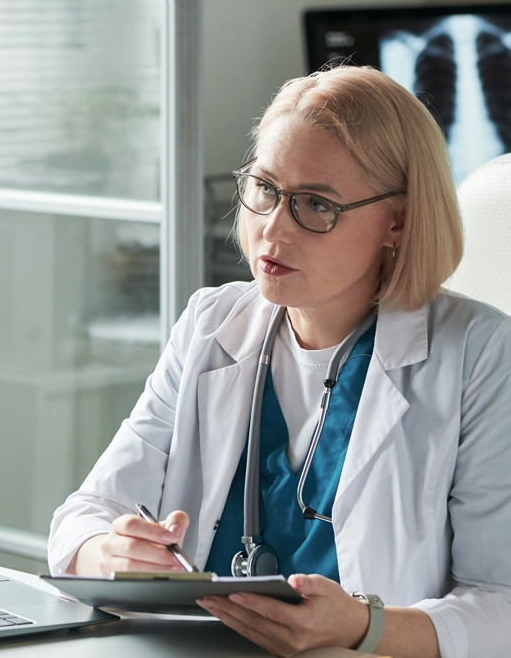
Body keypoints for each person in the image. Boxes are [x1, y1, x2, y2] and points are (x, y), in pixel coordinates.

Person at [48, 66, 511, 658]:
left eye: (316, 205)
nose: (272, 229)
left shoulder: (479, 354)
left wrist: (363, 627)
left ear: (397, 220)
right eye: (265, 189)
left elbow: (500, 602)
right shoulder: (211, 323)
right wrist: (104, 552)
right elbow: (86, 513)